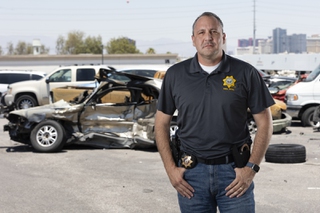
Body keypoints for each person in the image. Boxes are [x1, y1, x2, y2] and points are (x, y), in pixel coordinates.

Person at [155, 12, 274, 213]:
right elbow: (160, 124)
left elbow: (265, 123)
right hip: (191, 175)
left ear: (223, 37)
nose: (208, 37)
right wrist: (171, 170)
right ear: (193, 40)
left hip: (234, 175)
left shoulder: (246, 73)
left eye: (213, 32)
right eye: (201, 32)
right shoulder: (175, 75)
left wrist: (250, 169)